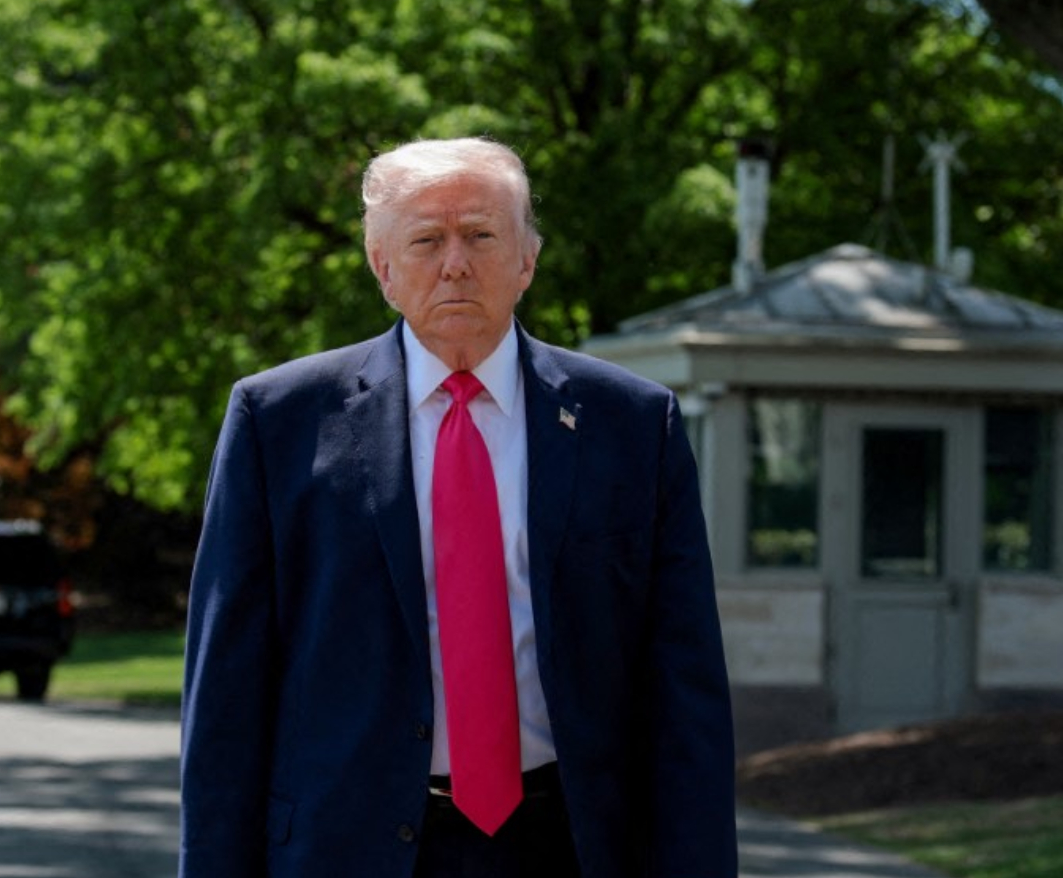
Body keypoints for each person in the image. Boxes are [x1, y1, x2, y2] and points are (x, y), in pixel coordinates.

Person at [179, 136, 737, 878]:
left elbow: (685, 692)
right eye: (426, 240)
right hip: (343, 846)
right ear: (383, 267)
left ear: (527, 260)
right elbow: (225, 699)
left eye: (481, 235)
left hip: (571, 844)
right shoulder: (277, 423)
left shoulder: (634, 426)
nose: (455, 263)